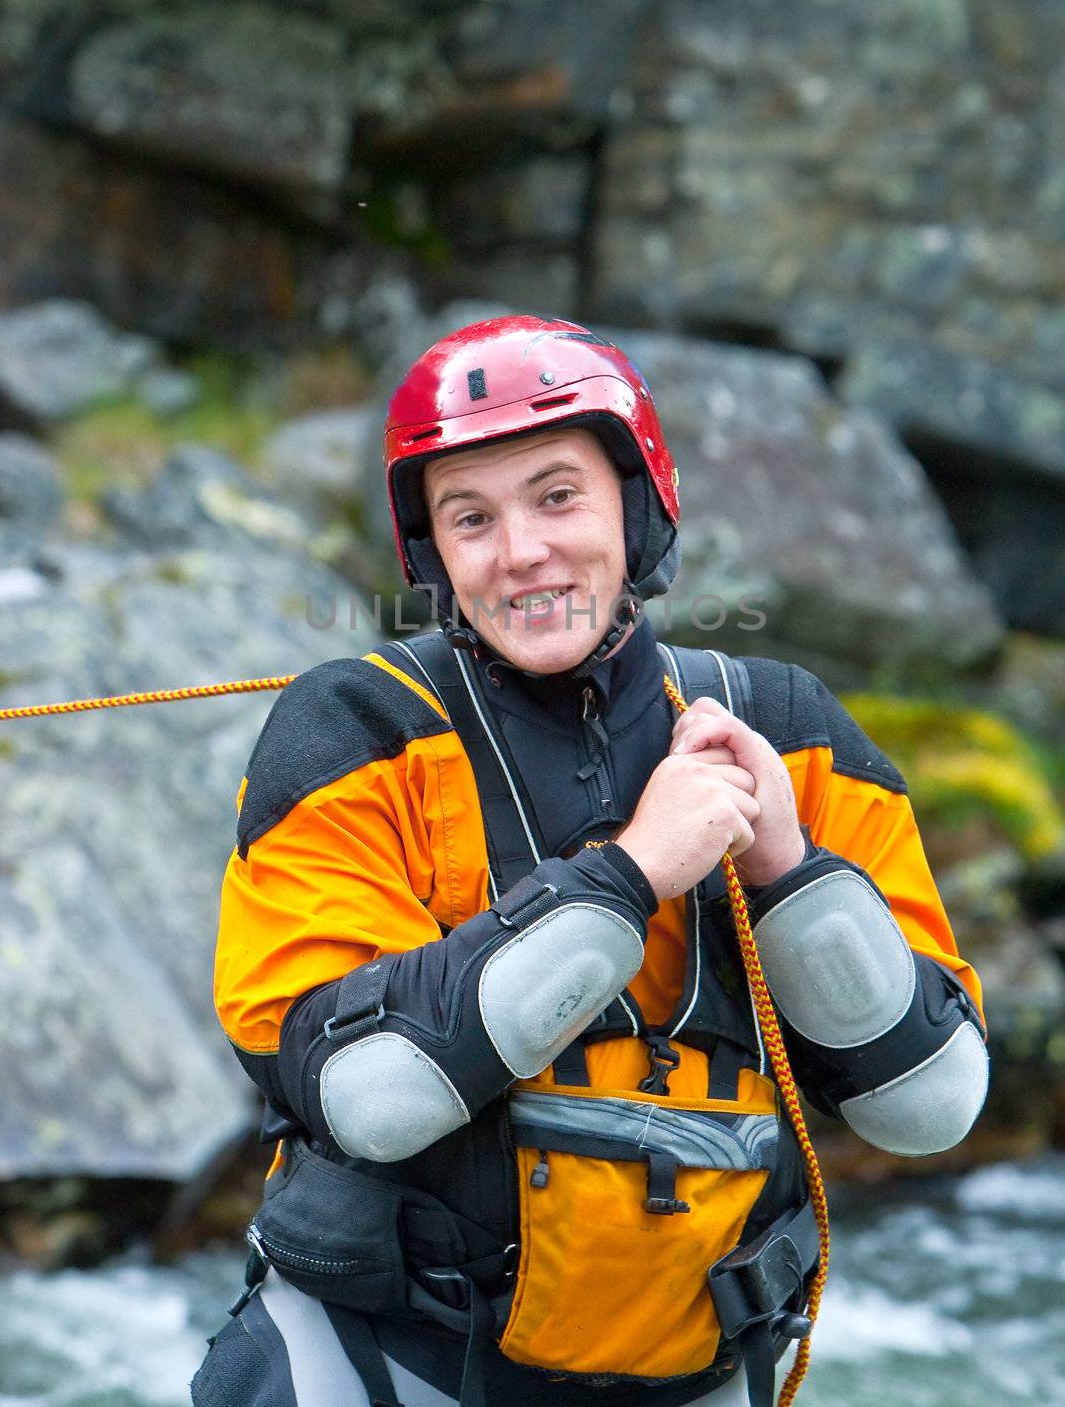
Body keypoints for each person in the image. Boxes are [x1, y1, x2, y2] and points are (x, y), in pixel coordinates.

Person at [194, 315, 989, 1407]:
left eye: (556, 495)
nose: (520, 550)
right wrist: (631, 873)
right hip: (382, 1362)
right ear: (431, 553)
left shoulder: (790, 730)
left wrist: (787, 872)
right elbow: (370, 1093)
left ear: (635, 500)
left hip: (698, 1369)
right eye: (469, 516)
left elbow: (932, 1103)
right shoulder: (351, 729)